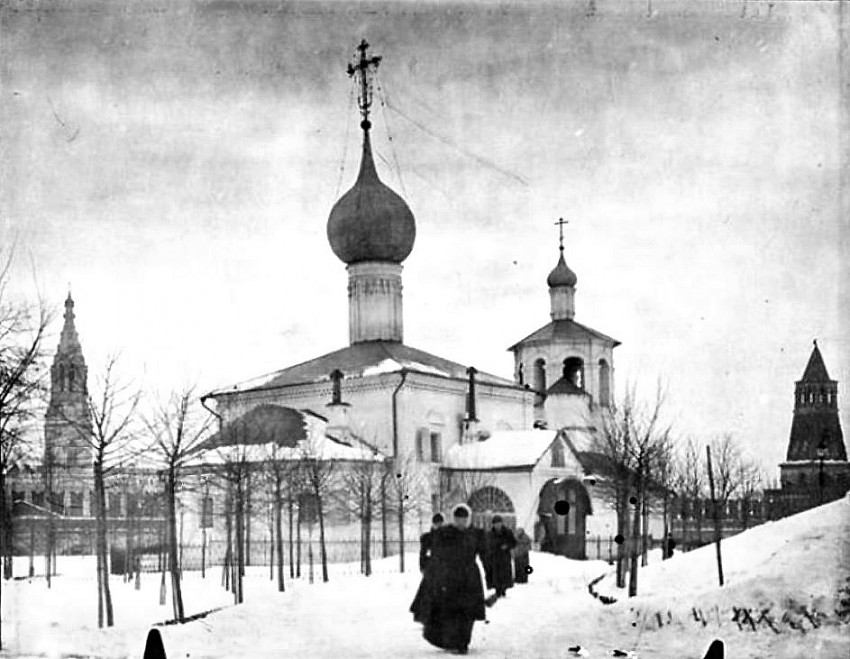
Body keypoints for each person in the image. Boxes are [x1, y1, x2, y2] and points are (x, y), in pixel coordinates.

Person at [410, 504, 487, 655]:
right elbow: (437, 554)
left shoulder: (475, 534)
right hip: (452, 578)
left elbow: (485, 554)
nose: (461, 522)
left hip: (470, 578)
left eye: (464, 519)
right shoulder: (446, 534)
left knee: (468, 612)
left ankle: (463, 642)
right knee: (453, 611)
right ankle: (455, 641)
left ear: (468, 519)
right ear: (454, 519)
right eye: (458, 519)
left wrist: (492, 577)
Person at [485, 515, 516, 598]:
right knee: (495, 575)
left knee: (505, 575)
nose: (497, 525)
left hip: (504, 557)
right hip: (495, 557)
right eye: (496, 524)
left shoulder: (507, 532)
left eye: (499, 523)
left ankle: (503, 590)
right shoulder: (490, 534)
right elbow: (487, 544)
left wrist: (507, 546)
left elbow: (513, 542)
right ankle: (497, 590)